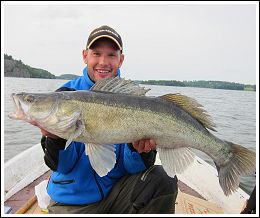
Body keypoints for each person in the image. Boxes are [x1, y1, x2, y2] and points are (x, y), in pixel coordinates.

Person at [40, 25, 178, 214]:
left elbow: (131, 167)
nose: (103, 62)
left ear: (121, 60)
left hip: (116, 196)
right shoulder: (65, 96)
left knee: (162, 179)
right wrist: (55, 138)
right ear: (85, 55)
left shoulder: (133, 100)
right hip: (71, 203)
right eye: (96, 53)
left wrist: (137, 150)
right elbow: (62, 166)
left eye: (111, 55)